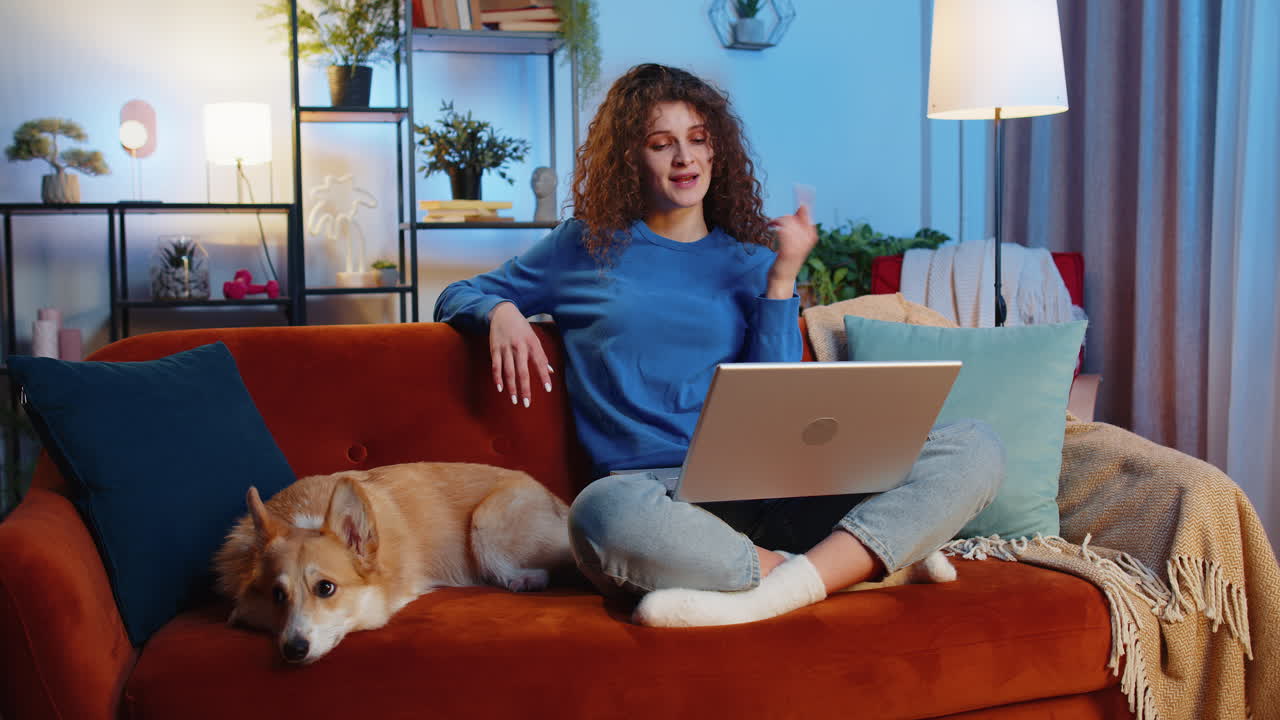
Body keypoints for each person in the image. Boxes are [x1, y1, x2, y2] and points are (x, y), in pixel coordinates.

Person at [434, 63, 1004, 628]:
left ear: (716, 150)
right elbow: (458, 294)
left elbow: (776, 398)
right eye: (662, 144)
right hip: (656, 501)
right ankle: (845, 568)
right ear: (630, 157)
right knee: (597, 513)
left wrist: (782, 279)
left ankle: (774, 588)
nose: (685, 158)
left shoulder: (753, 262)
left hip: (772, 488)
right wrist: (500, 310)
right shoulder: (583, 248)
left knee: (975, 446)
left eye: (698, 139)